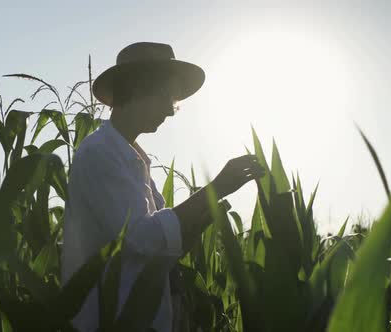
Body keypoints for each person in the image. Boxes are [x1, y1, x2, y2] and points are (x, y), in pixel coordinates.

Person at [61, 42, 265, 332]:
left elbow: (160, 249)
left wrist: (204, 216)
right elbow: (141, 238)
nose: (170, 111)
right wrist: (216, 188)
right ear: (138, 88)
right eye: (166, 96)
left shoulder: (133, 158)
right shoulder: (99, 153)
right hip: (108, 322)